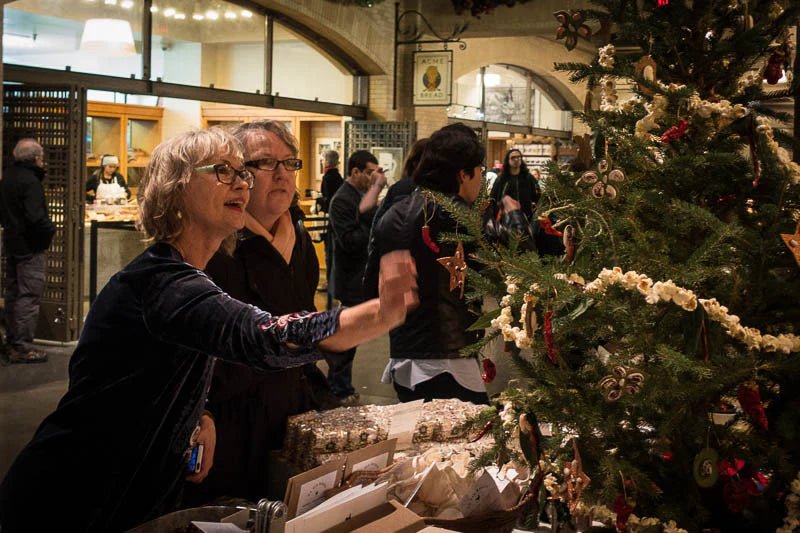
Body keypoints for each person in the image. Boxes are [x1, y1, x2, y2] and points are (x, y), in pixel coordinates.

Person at [0, 128, 417, 533]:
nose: (242, 183)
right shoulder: (162, 282)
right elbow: (265, 336)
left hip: (124, 491)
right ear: (176, 188)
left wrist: (199, 410)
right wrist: (377, 316)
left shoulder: (189, 275)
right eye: (223, 170)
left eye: (243, 172)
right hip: (70, 496)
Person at [184, 120, 338, 505]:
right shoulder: (212, 246)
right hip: (229, 415)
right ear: (236, 176)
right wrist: (198, 412)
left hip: (287, 405)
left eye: (289, 163)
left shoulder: (299, 238)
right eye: (266, 163)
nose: (282, 174)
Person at [366, 124, 528, 405]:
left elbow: (370, 283)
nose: (481, 180)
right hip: (449, 357)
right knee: (463, 443)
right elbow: (521, 257)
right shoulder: (461, 216)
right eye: (479, 171)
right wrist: (515, 218)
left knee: (420, 441)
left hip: (404, 354)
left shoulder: (393, 212)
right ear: (463, 174)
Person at [327, 150, 386, 403]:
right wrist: (372, 225)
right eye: (370, 172)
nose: (373, 177)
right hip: (350, 278)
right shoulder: (342, 200)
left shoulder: (361, 196)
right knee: (346, 337)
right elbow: (349, 241)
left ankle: (341, 387)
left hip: (362, 278)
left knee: (354, 336)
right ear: (355, 172)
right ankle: (338, 389)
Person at [0, 139, 54, 364]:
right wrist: (49, 230)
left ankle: (11, 340)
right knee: (29, 295)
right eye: (41, 155)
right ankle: (22, 346)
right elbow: (35, 218)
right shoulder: (31, 182)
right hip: (30, 245)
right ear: (36, 157)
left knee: (13, 292)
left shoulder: (8, 178)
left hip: (12, 243)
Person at [489, 149, 540, 222]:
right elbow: (493, 198)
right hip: (505, 220)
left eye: (518, 157)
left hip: (525, 219)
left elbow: (537, 195)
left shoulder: (528, 178)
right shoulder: (501, 179)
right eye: (513, 157)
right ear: (508, 160)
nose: (516, 159)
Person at [319, 150, 343, 300]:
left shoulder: (328, 177)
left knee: (329, 252)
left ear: (327, 161)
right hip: (336, 219)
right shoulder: (338, 177)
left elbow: (329, 200)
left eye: (322, 160)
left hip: (331, 220)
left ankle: (330, 281)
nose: (322, 162)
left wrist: (319, 201)